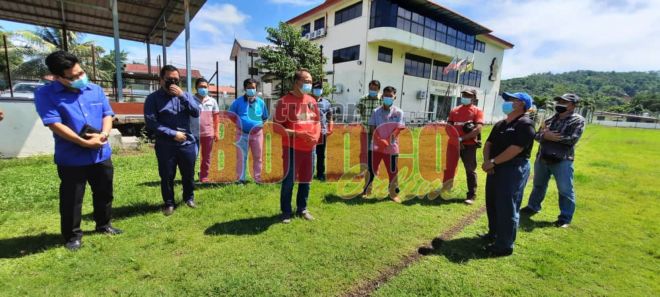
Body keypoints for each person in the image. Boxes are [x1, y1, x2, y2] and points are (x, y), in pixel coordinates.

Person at [34, 51, 122, 251]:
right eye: (72, 77)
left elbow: (107, 115)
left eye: (80, 73)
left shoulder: (95, 89)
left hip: (101, 152)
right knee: (72, 199)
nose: (79, 78)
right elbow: (53, 123)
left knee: (104, 192)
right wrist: (82, 143)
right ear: (57, 77)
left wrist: (104, 135)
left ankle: (104, 224)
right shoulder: (45, 94)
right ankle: (72, 236)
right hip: (72, 157)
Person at [481, 92, 535, 257]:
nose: (507, 103)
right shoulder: (500, 124)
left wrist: (494, 162)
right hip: (495, 166)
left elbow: (516, 149)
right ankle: (494, 234)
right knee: (492, 201)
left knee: (507, 205)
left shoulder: (525, 124)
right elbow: (488, 144)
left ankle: (504, 245)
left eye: (511, 100)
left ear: (521, 104)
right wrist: (488, 161)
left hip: (513, 168)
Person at [521, 93, 586, 228]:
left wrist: (551, 137)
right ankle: (533, 206)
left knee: (565, 189)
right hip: (542, 158)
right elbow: (537, 135)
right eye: (559, 101)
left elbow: (573, 139)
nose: (560, 104)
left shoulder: (577, 120)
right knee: (538, 185)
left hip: (562, 160)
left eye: (565, 102)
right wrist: (545, 135)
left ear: (573, 105)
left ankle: (565, 218)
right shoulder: (550, 119)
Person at [144, 65, 200, 216]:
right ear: (161, 80)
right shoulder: (153, 99)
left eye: (176, 79)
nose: (173, 82)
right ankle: (169, 203)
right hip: (166, 145)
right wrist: (172, 133)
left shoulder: (186, 95)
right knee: (167, 175)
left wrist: (182, 96)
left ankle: (189, 198)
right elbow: (151, 123)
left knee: (188, 174)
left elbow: (196, 112)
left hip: (187, 143)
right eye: (169, 79)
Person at [273, 69, 320, 224]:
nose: (309, 84)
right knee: (289, 181)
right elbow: (276, 128)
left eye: (310, 82)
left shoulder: (312, 101)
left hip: (309, 149)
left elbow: (317, 121)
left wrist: (316, 136)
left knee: (306, 180)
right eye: (306, 81)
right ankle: (286, 211)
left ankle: (302, 208)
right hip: (292, 148)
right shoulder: (284, 101)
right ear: (296, 82)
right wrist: (299, 134)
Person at [362, 86, 405, 203]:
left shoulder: (399, 112)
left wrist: (387, 141)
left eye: (390, 96)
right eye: (386, 95)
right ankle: (366, 191)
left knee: (393, 171)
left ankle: (393, 194)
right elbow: (372, 127)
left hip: (392, 147)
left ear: (394, 97)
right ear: (382, 96)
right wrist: (380, 140)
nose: (388, 98)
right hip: (375, 147)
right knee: (371, 169)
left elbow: (399, 129)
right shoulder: (376, 111)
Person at [447, 89, 484, 205]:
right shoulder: (454, 110)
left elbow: (478, 129)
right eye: (464, 95)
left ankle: (471, 195)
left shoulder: (477, 111)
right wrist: (456, 140)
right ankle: (445, 190)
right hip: (453, 144)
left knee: (470, 170)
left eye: (468, 95)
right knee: (449, 167)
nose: (465, 97)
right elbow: (449, 127)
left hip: (469, 146)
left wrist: (462, 139)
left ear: (474, 98)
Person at [229, 78, 268, 184]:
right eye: (249, 88)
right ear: (245, 88)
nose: (251, 89)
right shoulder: (237, 102)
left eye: (253, 88)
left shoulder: (261, 103)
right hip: (242, 134)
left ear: (256, 89)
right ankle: (240, 179)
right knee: (241, 157)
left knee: (258, 157)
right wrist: (239, 124)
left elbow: (265, 117)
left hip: (257, 135)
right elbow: (231, 115)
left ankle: (258, 178)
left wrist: (259, 126)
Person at [193, 78, 220, 183]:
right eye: (201, 87)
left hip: (208, 133)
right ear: (196, 88)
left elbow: (216, 117)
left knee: (207, 157)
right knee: (192, 156)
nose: (203, 89)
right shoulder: (191, 100)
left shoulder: (212, 101)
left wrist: (216, 132)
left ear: (208, 88)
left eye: (205, 87)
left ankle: (204, 176)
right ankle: (189, 176)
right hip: (193, 133)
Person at [356, 80, 381, 177]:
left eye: (375, 89)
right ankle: (363, 171)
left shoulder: (382, 99)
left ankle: (375, 172)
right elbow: (359, 112)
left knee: (376, 152)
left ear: (379, 89)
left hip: (378, 132)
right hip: (365, 130)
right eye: (371, 88)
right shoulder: (363, 99)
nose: (372, 90)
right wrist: (362, 124)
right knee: (364, 152)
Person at [312, 81, 333, 181]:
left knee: (321, 154)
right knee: (309, 154)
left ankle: (320, 174)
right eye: (315, 88)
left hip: (322, 132)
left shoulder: (326, 103)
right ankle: (309, 174)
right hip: (310, 132)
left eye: (319, 88)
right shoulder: (307, 101)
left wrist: (331, 128)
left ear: (322, 90)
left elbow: (330, 117)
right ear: (312, 89)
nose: (317, 90)